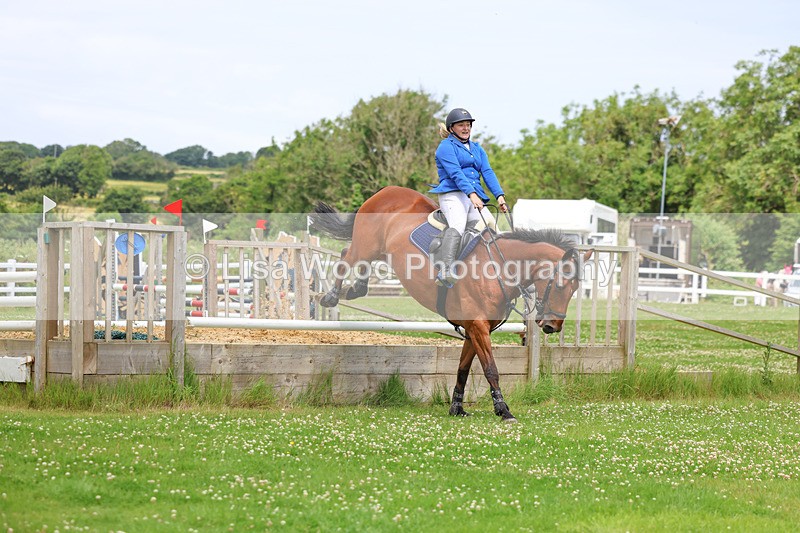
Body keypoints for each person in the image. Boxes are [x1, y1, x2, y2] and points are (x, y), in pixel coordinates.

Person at [430, 108, 508, 287]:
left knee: (492, 225)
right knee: (457, 224)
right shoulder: (445, 147)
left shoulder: (477, 148)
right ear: (451, 128)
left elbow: (487, 172)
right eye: (461, 125)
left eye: (468, 125)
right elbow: (456, 174)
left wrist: (500, 196)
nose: (466, 128)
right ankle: (446, 270)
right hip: (452, 195)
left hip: (474, 197)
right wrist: (472, 195)